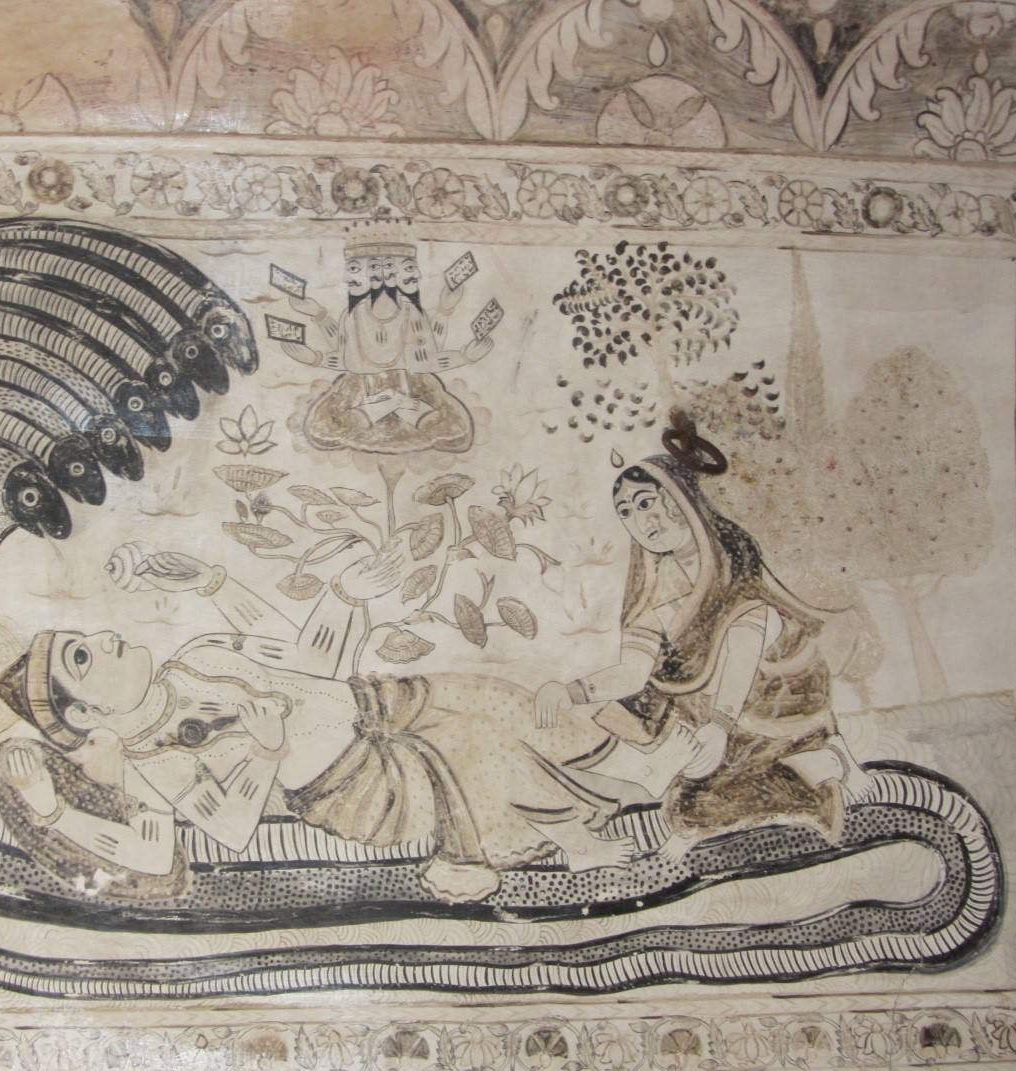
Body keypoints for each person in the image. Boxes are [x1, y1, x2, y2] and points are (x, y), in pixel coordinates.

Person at [0, 542, 585, 903]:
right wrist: (265, 753)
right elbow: (197, 838)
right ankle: (546, 839)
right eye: (83, 657)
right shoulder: (151, 765)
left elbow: (306, 661)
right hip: (362, 784)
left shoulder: (195, 657)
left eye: (86, 636)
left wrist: (338, 596)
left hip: (380, 703)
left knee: (513, 704)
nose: (103, 637)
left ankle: (616, 767)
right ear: (85, 713)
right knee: (484, 746)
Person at [533, 422, 870, 864]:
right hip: (718, 721)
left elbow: (748, 634)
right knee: (688, 807)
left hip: (774, 702)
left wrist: (719, 726)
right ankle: (808, 769)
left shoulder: (731, 560)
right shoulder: (656, 591)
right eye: (627, 513)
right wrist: (571, 691)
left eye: (646, 502)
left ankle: (821, 759)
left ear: (680, 501)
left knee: (738, 639)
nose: (641, 521)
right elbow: (633, 672)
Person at [280, 234, 492, 454]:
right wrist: (315, 342)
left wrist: (465, 354)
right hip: (361, 390)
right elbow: (345, 356)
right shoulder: (353, 315)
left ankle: (392, 403)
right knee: (319, 431)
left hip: (410, 388)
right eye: (352, 269)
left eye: (353, 270)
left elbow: (428, 358)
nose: (346, 278)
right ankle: (391, 403)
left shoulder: (410, 313)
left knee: (457, 433)